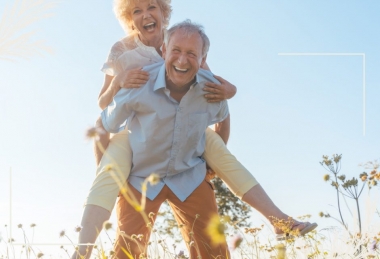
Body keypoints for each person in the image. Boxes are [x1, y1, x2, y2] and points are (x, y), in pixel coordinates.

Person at [72, 0, 317, 258]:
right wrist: (120, 81)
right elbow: (104, 108)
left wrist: (229, 93)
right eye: (137, 10)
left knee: (221, 158)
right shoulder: (129, 61)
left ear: (163, 13)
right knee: (114, 195)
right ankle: (82, 251)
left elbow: (216, 92)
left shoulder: (190, 54)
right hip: (140, 148)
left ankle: (278, 219)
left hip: (186, 159)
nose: (145, 14)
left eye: (151, 7)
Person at [104, 20, 230, 258]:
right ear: (164, 51)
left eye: (192, 54)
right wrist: (114, 180)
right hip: (141, 176)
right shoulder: (139, 82)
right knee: (125, 252)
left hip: (189, 175)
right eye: (176, 51)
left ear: (203, 60)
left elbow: (223, 115)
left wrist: (212, 167)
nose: (182, 60)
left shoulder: (211, 89)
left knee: (214, 253)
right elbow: (106, 122)